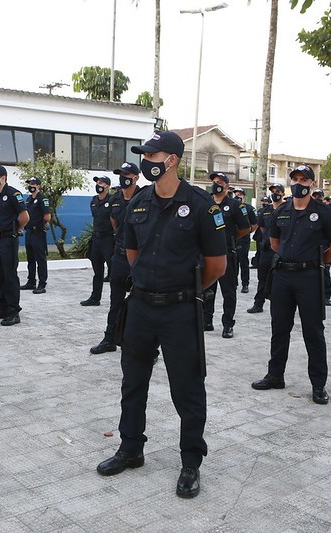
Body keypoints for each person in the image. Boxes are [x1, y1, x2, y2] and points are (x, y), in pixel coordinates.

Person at [96, 131, 227, 499]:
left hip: (180, 310)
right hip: (139, 307)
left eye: (152, 155)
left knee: (186, 387)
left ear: (172, 160)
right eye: (144, 155)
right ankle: (131, 448)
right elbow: (132, 254)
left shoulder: (202, 206)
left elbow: (217, 266)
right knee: (132, 382)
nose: (146, 161)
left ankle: (190, 463)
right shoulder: (138, 203)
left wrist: (180, 289)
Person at [251, 165, 331, 405]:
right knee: (279, 328)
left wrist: (314, 262)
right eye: (295, 179)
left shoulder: (323, 212)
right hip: (282, 276)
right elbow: (274, 241)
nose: (299, 183)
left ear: (313, 184)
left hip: (309, 277)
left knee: (313, 331)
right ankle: (275, 375)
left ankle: (318, 384)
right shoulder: (282, 210)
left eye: (304, 179)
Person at [90, 161, 141, 354]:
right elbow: (113, 220)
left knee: (142, 304)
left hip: (139, 259)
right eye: (121, 174)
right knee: (115, 302)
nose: (123, 178)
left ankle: (145, 347)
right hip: (120, 256)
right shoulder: (115, 199)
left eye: (127, 175)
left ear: (136, 178)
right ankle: (110, 339)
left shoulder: (144, 197)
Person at [203, 172, 251, 337]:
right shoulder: (206, 203)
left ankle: (228, 324)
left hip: (226, 254)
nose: (216, 184)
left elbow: (246, 228)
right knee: (208, 289)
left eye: (220, 182)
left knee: (228, 291)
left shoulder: (235, 205)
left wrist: (231, 238)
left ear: (227, 187)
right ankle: (206, 321)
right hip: (208, 253)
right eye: (215, 181)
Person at [0, 165, 29, 326]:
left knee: (9, 275)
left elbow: (24, 216)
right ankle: (1, 307)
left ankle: (13, 311)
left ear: (3, 178)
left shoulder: (13, 194)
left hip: (8, 239)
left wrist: (17, 229)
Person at [248, 183, 285, 314]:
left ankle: (280, 306)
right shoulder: (265, 211)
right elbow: (263, 228)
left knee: (280, 280)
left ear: (283, 194)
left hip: (281, 252)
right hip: (266, 250)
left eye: (277, 191)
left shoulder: (287, 209)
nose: (275, 193)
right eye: (273, 191)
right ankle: (258, 304)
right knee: (262, 279)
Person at [81, 176, 114, 306]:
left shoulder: (112, 200)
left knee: (113, 271)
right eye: (97, 182)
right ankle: (95, 298)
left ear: (107, 186)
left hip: (108, 239)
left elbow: (114, 219)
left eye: (101, 182)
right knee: (97, 271)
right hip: (96, 239)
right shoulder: (94, 200)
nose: (98, 184)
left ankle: (115, 299)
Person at [20, 177, 50, 294]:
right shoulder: (28, 199)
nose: (31, 185)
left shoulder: (43, 198)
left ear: (38, 186)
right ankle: (31, 281)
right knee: (30, 258)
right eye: (30, 183)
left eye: (33, 184)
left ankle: (42, 283)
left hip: (38, 232)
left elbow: (47, 216)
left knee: (40, 259)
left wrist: (41, 225)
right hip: (29, 232)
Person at [233, 187, 258, 294]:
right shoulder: (231, 207)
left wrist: (247, 232)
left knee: (243, 262)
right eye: (236, 194)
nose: (237, 196)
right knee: (233, 262)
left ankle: (245, 284)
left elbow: (255, 224)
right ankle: (234, 283)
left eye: (240, 194)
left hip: (243, 239)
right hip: (233, 239)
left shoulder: (249, 208)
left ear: (244, 196)